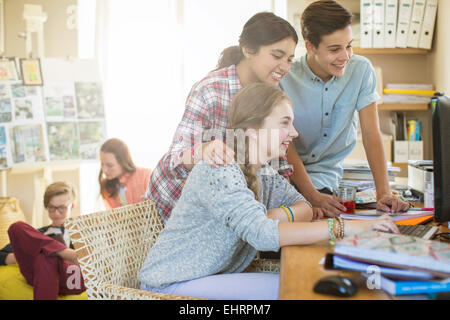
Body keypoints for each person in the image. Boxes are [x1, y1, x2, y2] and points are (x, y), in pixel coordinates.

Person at [138, 83, 399, 300]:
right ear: (252, 129)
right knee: (298, 290)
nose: (294, 133)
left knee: (306, 281)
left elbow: (304, 207)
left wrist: (270, 216)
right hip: (169, 285)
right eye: (285, 123)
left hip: (210, 277)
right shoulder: (220, 169)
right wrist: (344, 227)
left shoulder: (263, 172)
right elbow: (263, 236)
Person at [144, 12, 298, 223]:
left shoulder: (273, 95)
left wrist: (296, 205)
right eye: (277, 56)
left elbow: (275, 165)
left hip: (223, 209)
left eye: (289, 59)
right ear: (248, 49)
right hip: (177, 206)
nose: (285, 67)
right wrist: (204, 150)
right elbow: (175, 159)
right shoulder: (210, 90)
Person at [279, 0, 409, 219]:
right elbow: (284, 142)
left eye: (349, 45)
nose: (345, 56)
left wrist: (383, 192)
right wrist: (310, 195)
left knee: (326, 221)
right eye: (334, 49)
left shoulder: (361, 70)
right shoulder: (286, 75)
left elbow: (371, 133)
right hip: (284, 173)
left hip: (324, 177)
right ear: (310, 46)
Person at [0, 182, 86, 300]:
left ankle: (56, 253)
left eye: (62, 207)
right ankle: (65, 252)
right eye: (52, 208)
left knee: (48, 257)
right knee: (16, 227)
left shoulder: (81, 233)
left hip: (71, 277)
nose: (56, 213)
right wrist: (32, 252)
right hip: (40, 274)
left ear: (71, 206)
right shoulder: (37, 234)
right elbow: (1, 255)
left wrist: (46, 252)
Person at [99, 138, 152, 209]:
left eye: (110, 165)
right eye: (102, 164)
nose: (104, 170)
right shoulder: (107, 188)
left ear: (123, 162)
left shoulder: (145, 175)